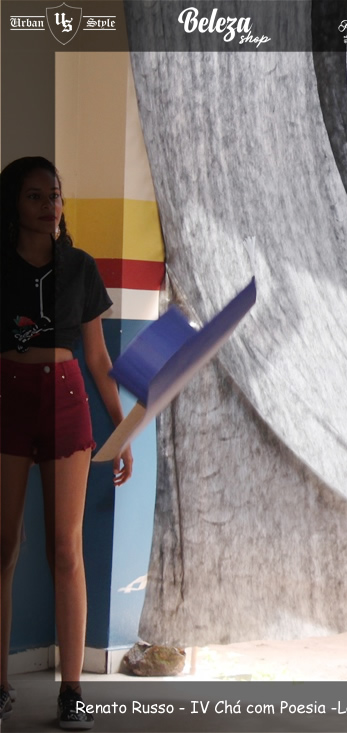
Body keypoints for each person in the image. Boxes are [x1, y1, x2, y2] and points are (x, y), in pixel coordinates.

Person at [1, 156, 134, 731]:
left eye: (54, 195)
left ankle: (73, 691)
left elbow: (99, 359)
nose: (49, 205)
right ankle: (0, 685)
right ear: (13, 203)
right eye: (35, 195)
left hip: (66, 399)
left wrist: (121, 428)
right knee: (3, 547)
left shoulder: (79, 266)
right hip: (7, 399)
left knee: (65, 548)